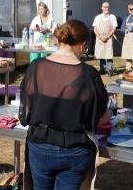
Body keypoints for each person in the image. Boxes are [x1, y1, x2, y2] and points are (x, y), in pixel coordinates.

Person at [19, 19, 109, 189]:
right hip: (75, 150)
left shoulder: (36, 67)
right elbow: (103, 118)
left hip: (40, 146)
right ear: (82, 45)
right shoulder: (89, 74)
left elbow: (26, 109)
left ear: (58, 41)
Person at [92, 2, 117, 74]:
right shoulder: (98, 17)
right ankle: (102, 69)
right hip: (100, 37)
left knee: (109, 54)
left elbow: (114, 28)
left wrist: (108, 36)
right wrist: (100, 37)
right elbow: (95, 28)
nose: (107, 8)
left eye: (108, 7)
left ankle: (110, 70)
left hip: (108, 38)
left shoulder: (112, 17)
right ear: (102, 8)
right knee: (101, 54)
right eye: (105, 7)